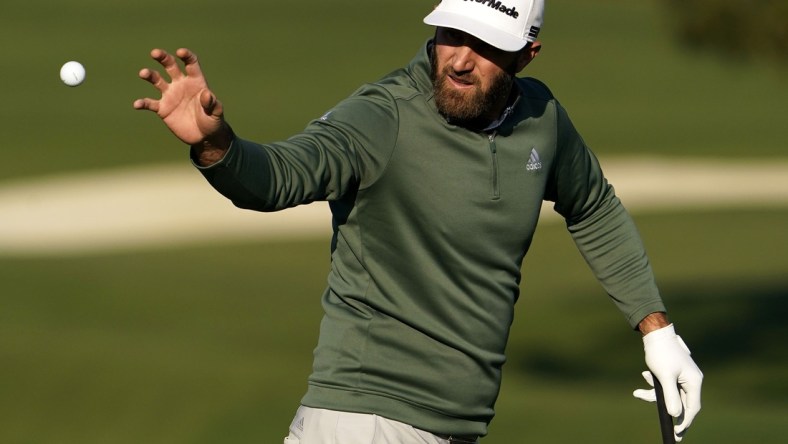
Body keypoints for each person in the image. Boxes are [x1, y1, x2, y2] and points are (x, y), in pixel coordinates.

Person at [133, 0, 703, 442]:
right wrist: (218, 146)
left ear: (527, 55)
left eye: (484, 46)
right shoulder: (384, 115)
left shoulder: (541, 118)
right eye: (452, 35)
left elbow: (593, 205)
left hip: (454, 427)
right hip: (365, 418)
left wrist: (659, 331)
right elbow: (279, 175)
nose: (459, 59)